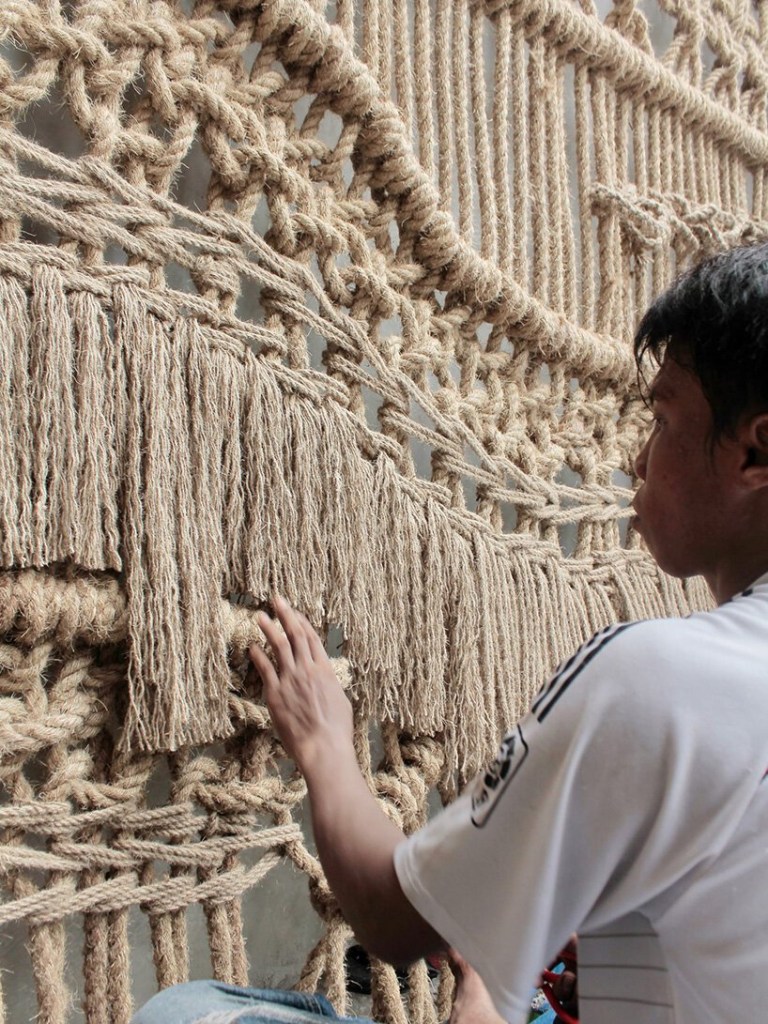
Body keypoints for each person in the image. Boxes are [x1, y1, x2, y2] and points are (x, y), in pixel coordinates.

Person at [134, 242, 768, 1024]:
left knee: (191, 1014)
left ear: (756, 452)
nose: (640, 457)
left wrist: (326, 742)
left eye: (665, 418)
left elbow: (394, 919)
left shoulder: (657, 677)